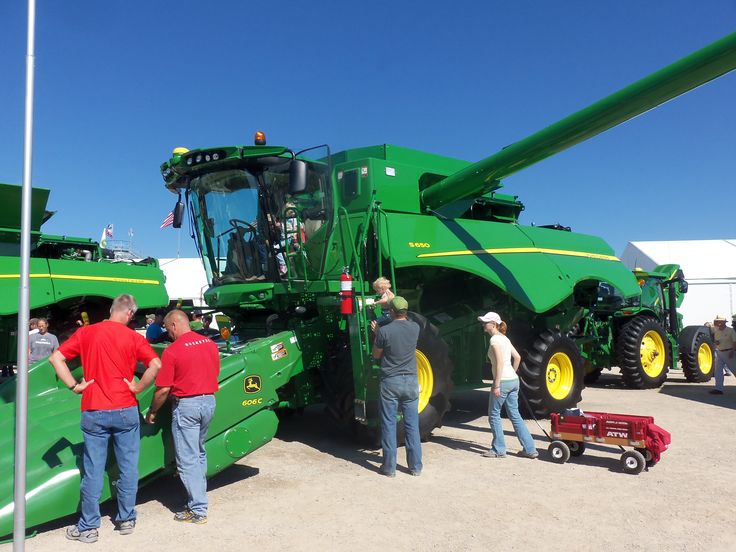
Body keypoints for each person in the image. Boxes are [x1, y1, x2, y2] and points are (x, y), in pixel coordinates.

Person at [49, 294, 162, 543]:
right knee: (128, 467)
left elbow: (55, 358)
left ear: (112, 310)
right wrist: (137, 388)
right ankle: (125, 519)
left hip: (94, 409)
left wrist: (74, 386)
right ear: (130, 313)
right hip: (125, 409)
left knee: (93, 470)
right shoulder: (134, 337)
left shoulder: (87, 333)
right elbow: (155, 364)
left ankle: (89, 526)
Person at [145, 309, 220, 524]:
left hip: (187, 406)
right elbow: (214, 371)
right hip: (208, 401)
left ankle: (198, 509)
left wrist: (152, 411)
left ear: (175, 325)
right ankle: (198, 496)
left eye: (168, 329)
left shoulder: (172, 351)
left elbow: (162, 389)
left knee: (187, 459)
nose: (168, 334)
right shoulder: (209, 344)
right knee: (199, 452)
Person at [371, 296, 422, 477]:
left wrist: (377, 333)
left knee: (389, 424)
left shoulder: (384, 331)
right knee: (412, 425)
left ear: (391, 312)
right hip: (411, 382)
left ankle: (389, 468)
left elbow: (376, 355)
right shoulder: (415, 328)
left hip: (390, 381)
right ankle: (415, 467)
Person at [478, 312, 538, 459]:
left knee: (494, 415)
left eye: (485, 322)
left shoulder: (494, 340)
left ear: (493, 323)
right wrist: (514, 372)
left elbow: (499, 363)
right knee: (515, 415)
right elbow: (517, 357)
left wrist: (496, 385)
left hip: (502, 382)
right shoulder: (504, 338)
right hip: (512, 380)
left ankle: (498, 449)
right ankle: (530, 449)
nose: (483, 325)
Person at [710, 314, 736, 395]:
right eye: (717, 321)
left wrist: (733, 351)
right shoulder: (716, 331)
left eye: (719, 321)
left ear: (724, 322)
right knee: (718, 371)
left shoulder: (730, 331)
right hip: (720, 352)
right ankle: (719, 389)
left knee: (735, 370)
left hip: (729, 352)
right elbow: (715, 340)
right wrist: (716, 342)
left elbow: (735, 341)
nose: (717, 323)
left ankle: (719, 388)